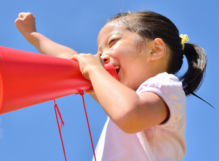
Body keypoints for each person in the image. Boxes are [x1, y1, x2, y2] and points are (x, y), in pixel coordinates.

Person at [15, 11, 208, 161]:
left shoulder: (166, 85)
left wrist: (95, 71)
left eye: (112, 42)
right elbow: (72, 60)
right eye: (99, 53)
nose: (101, 57)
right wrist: (33, 36)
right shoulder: (122, 96)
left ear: (155, 49)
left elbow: (131, 114)